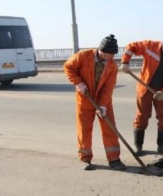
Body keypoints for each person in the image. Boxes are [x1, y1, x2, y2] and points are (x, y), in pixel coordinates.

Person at [64, 34, 126, 170]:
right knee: (84, 129)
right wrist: (78, 83)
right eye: (109, 54)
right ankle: (85, 159)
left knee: (110, 128)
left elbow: (108, 87)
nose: (111, 57)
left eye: (113, 55)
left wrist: (103, 106)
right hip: (85, 98)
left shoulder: (112, 66)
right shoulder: (84, 56)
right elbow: (68, 67)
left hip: (103, 100)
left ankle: (114, 159)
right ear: (101, 50)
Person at [120, 36, 163, 155]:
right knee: (142, 116)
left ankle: (162, 145)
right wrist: (125, 61)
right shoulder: (149, 46)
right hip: (145, 87)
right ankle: (138, 146)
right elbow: (131, 46)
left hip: (162, 92)